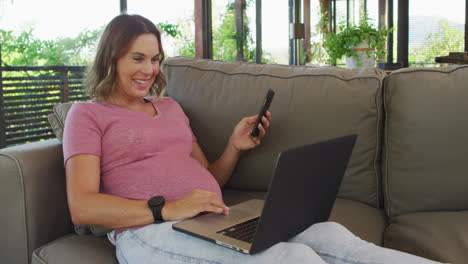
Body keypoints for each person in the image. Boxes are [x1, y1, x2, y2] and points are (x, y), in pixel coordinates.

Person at [63, 14, 443, 264]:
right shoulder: (88, 115)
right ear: (111, 58)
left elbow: (210, 179)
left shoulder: (171, 108)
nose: (150, 70)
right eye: (138, 58)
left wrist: (233, 147)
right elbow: (83, 207)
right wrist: (167, 209)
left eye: (156, 59)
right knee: (294, 258)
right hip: (147, 233)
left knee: (334, 238)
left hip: (209, 218)